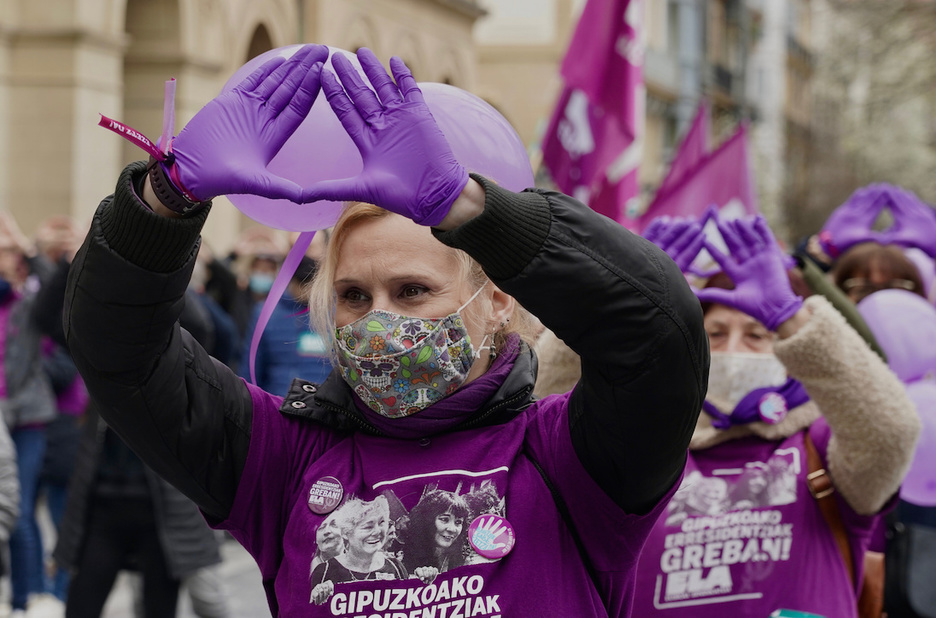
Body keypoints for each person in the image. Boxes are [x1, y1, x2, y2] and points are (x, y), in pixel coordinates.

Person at [63, 45, 707, 616]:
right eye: (352, 295)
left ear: (497, 302)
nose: (380, 319)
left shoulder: (573, 457)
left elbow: (658, 337)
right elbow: (121, 356)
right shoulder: (280, 459)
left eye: (413, 291)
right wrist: (163, 200)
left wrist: (469, 207)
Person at [610, 213, 919, 617]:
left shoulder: (823, 444)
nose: (734, 349)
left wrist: (791, 316)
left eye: (758, 334)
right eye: (715, 334)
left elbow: (892, 429)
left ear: (792, 351)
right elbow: (550, 405)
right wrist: (617, 308)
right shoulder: (642, 445)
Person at [309, 495, 406, 604]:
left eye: (381, 523)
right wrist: (317, 598)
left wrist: (424, 583)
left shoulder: (396, 567)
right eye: (368, 527)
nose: (378, 531)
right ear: (346, 533)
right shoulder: (324, 571)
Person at [397, 488, 469, 581]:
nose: (452, 529)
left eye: (458, 522)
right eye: (444, 519)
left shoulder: (464, 558)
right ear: (427, 520)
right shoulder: (401, 558)